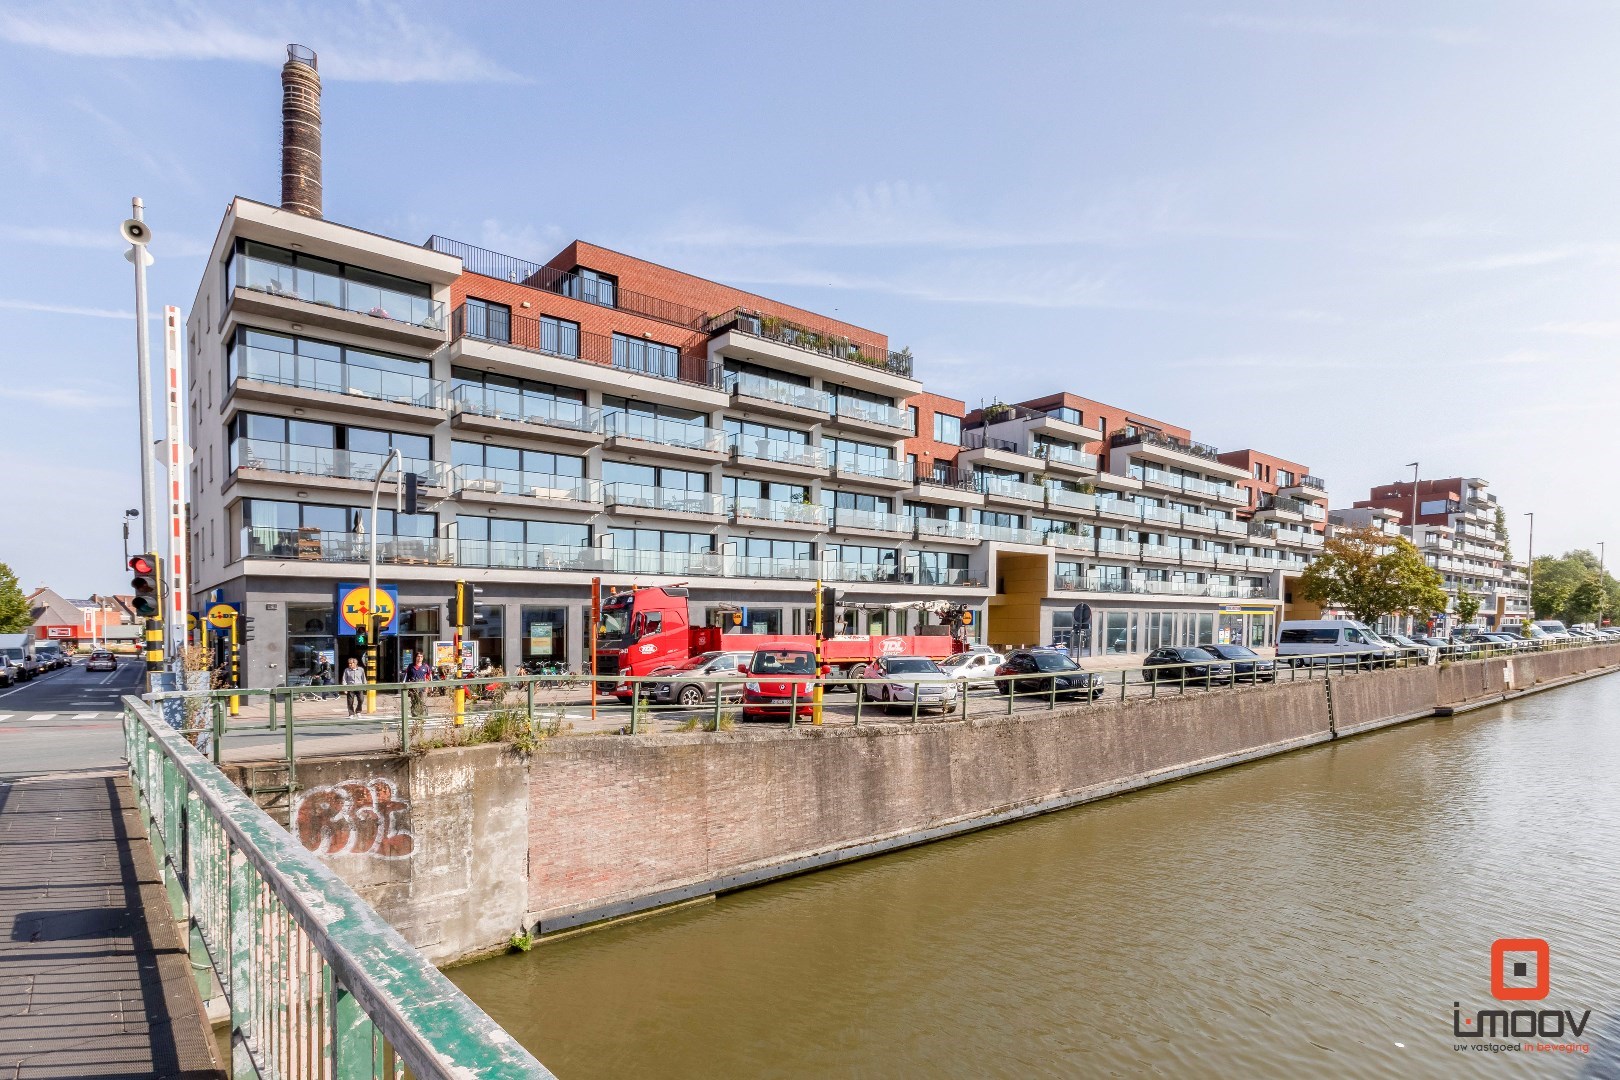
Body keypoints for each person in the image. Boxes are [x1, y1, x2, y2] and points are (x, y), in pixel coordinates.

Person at [404, 650, 433, 718]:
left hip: (422, 688)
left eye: (421, 656)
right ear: (415, 657)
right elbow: (406, 677)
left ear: (423, 658)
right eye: (418, 656)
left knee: (422, 703)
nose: (419, 658)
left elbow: (429, 677)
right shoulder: (411, 666)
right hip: (413, 688)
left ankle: (421, 717)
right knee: (414, 703)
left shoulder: (425, 666)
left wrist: (427, 688)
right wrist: (407, 687)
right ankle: (414, 717)